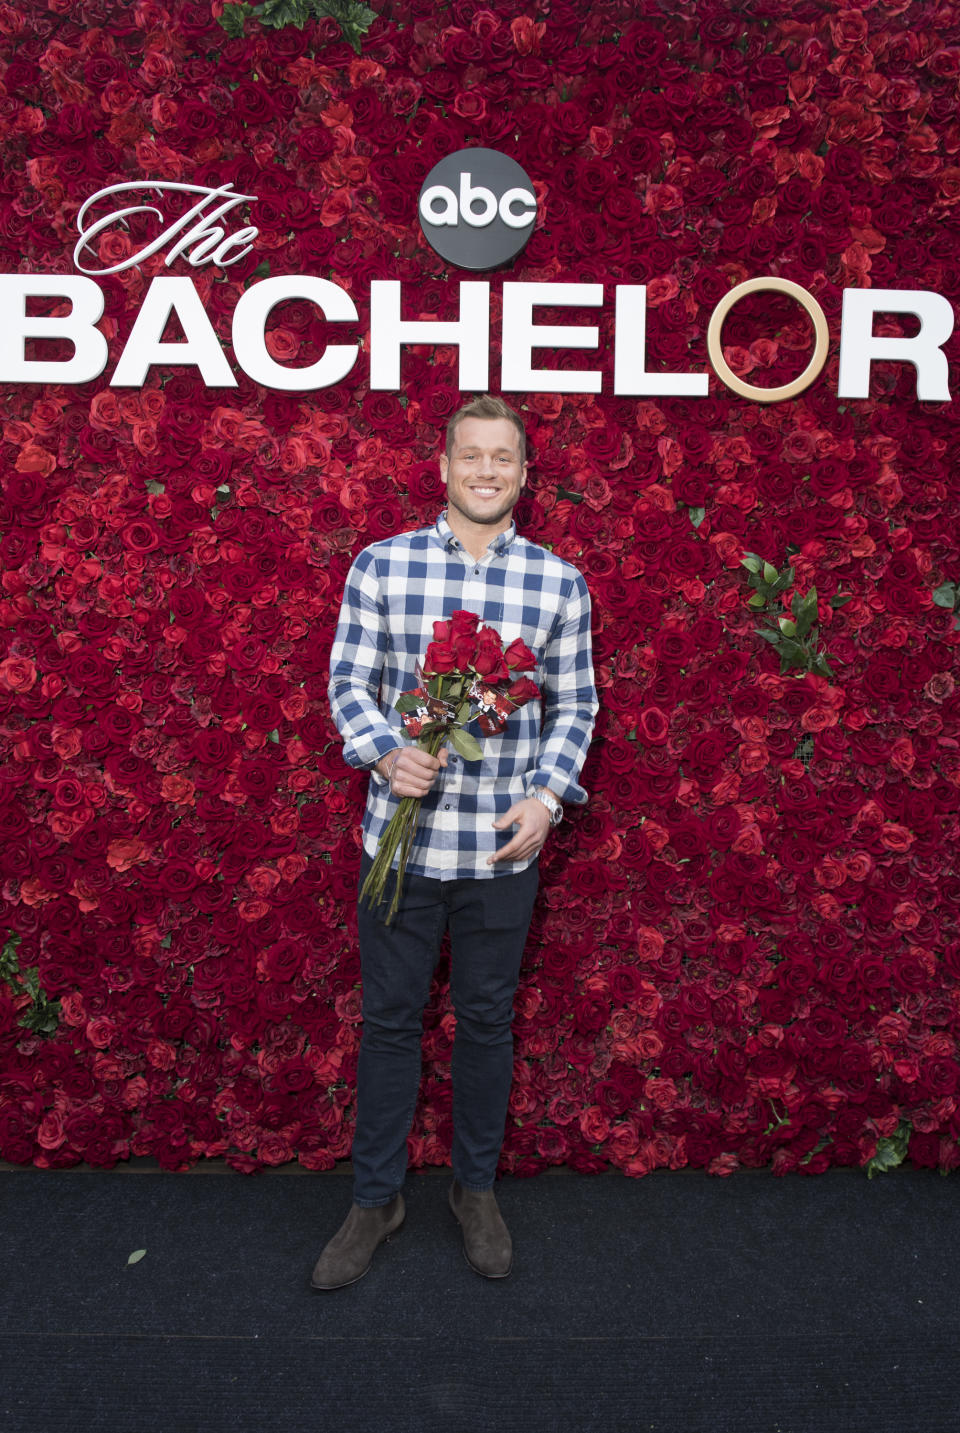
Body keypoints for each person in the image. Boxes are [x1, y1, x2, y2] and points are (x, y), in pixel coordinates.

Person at [310, 394, 597, 1290]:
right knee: (390, 1024)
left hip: (500, 851)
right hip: (398, 852)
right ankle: (375, 1197)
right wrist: (387, 751)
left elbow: (576, 705)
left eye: (501, 458)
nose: (484, 471)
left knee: (487, 1023)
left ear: (523, 474)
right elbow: (348, 682)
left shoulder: (558, 583)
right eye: (469, 456)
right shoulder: (382, 566)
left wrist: (549, 796)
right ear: (442, 466)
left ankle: (475, 1190)